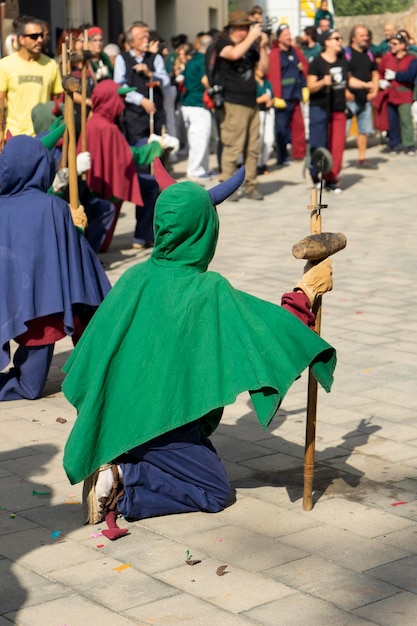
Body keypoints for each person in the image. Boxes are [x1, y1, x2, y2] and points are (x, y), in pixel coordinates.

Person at [61, 159, 336, 531]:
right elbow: (265, 333)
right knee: (215, 491)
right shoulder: (208, 290)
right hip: (160, 424)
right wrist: (305, 292)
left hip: (113, 414)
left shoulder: (133, 277)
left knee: (190, 451)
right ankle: (123, 482)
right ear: (204, 231)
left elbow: (91, 357)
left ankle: (121, 458)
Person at [0, 132, 111, 401]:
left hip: (25, 305)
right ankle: (95, 364)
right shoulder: (54, 207)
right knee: (30, 387)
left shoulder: (49, 207)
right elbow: (77, 264)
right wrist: (79, 231)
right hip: (42, 307)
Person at [80, 79, 166, 249]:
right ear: (108, 100)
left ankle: (143, 236)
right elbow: (130, 157)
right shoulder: (106, 127)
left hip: (105, 180)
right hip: (106, 183)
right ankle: (142, 237)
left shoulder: (95, 121)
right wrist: (157, 146)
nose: (121, 103)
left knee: (148, 185)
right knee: (150, 186)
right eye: (118, 98)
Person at [215, 10, 270, 201]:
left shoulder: (251, 45)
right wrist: (253, 37)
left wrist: (262, 47)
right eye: (239, 28)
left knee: (253, 148)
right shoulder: (223, 44)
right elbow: (234, 54)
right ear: (231, 28)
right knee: (233, 146)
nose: (243, 31)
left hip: (251, 101)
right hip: (233, 101)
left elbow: (263, 69)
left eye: (245, 28)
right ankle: (227, 189)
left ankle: (251, 186)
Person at [0, 15, 63, 148]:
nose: (40, 40)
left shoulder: (51, 65)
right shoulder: (5, 65)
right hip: (15, 137)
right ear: (21, 39)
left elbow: (57, 101)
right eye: (34, 36)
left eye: (41, 35)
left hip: (44, 137)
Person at [113, 21, 171, 145]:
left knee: (157, 152)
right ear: (131, 42)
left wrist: (150, 74)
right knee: (139, 152)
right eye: (141, 38)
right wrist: (141, 101)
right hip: (134, 115)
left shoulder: (155, 58)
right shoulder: (122, 58)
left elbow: (166, 81)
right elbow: (120, 86)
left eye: (147, 36)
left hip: (155, 113)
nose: (146, 40)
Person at [307, 29, 348, 193]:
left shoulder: (342, 60)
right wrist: (323, 82)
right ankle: (316, 174)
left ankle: (331, 179)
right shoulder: (316, 62)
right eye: (336, 38)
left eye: (340, 38)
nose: (339, 41)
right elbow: (310, 86)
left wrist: (368, 87)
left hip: (338, 109)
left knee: (336, 147)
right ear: (326, 42)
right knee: (319, 145)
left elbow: (349, 80)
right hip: (320, 108)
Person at [268, 24, 308, 166]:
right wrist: (276, 96)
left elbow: (303, 67)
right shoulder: (274, 54)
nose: (288, 37)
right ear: (278, 38)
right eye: (285, 34)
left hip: (295, 94)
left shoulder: (295, 52)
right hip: (282, 97)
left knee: (299, 127)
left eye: (289, 34)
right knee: (281, 129)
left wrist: (304, 86)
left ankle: (299, 154)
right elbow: (272, 75)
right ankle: (282, 156)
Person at [345, 25, 379, 169]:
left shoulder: (369, 54)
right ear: (353, 38)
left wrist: (375, 91)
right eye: (362, 35)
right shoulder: (346, 54)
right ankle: (335, 158)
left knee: (363, 130)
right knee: (343, 131)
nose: (365, 38)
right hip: (349, 98)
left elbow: (375, 73)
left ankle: (362, 158)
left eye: (366, 35)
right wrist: (346, 92)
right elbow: (345, 76)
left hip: (365, 98)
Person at [181, 34, 213, 181]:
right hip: (198, 104)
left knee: (200, 138)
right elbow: (205, 80)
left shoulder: (192, 59)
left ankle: (204, 168)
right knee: (199, 138)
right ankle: (195, 170)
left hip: (190, 103)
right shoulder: (202, 60)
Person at [378, 33, 415, 155]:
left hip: (404, 93)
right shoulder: (387, 57)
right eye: (390, 43)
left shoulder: (411, 58)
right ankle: (394, 143)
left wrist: (396, 75)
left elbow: (410, 75)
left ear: (403, 45)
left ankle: (409, 144)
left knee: (405, 120)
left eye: (394, 44)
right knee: (392, 121)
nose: (391, 46)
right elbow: (379, 72)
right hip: (390, 94)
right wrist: (380, 81)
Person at [255, 64, 275, 174]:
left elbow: (272, 96)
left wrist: (270, 101)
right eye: (259, 68)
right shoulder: (252, 83)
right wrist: (261, 99)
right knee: (259, 140)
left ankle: (263, 163)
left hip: (268, 112)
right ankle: (257, 165)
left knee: (269, 140)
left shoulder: (267, 83)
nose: (261, 71)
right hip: (258, 112)